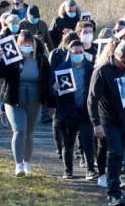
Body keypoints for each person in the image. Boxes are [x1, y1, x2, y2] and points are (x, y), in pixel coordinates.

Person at [0, 30, 52, 177]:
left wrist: (50, 102)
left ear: (33, 43)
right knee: (19, 130)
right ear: (18, 44)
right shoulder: (12, 58)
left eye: (29, 43)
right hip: (14, 99)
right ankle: (18, 164)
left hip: (34, 100)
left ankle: (27, 162)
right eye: (23, 43)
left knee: (29, 133)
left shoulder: (41, 59)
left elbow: (49, 79)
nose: (27, 45)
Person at [88, 41, 125, 206]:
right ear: (118, 55)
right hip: (108, 120)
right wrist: (96, 124)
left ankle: (116, 188)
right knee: (115, 152)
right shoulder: (102, 71)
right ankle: (113, 193)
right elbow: (92, 100)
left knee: (118, 154)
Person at [50, 40, 97, 180]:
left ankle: (90, 170)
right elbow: (50, 89)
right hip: (67, 112)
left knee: (88, 141)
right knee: (68, 143)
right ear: (70, 53)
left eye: (81, 52)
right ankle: (68, 170)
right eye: (75, 52)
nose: (78, 54)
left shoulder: (90, 69)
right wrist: (54, 89)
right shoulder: (61, 69)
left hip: (84, 111)